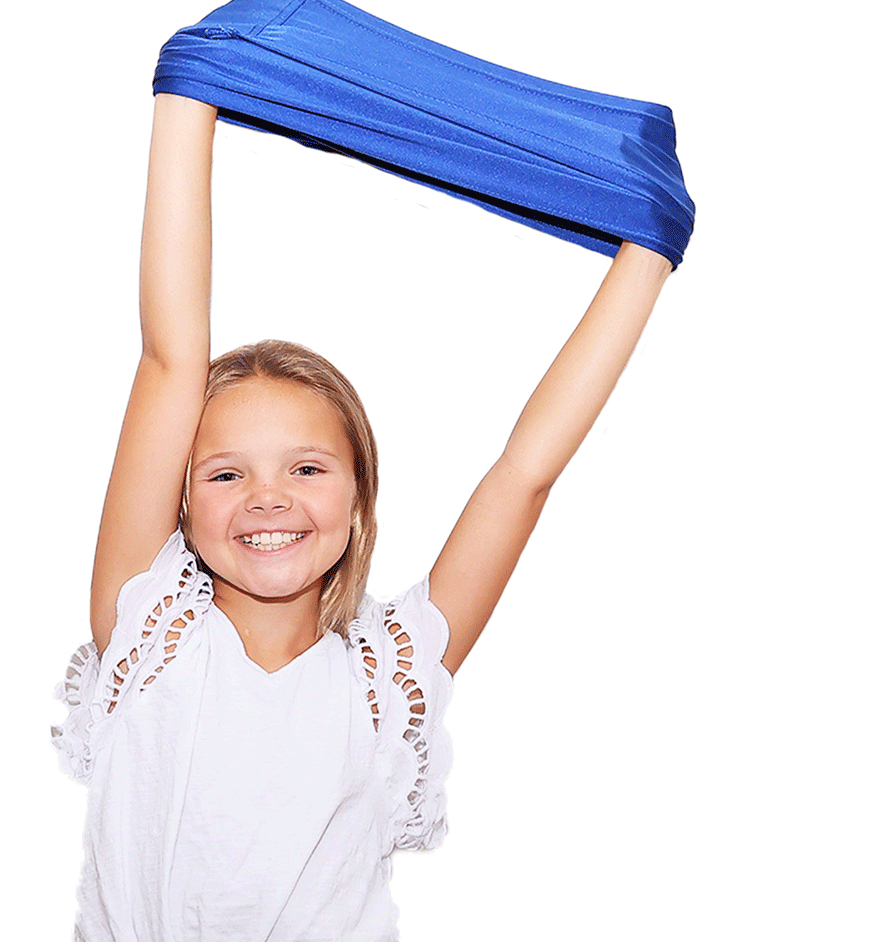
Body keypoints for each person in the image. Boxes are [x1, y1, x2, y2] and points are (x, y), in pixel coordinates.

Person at [52, 90, 678, 940]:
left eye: (306, 468)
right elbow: (171, 357)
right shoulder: (148, 632)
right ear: (182, 501)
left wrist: (646, 255)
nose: (267, 497)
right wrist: (188, 102)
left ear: (357, 505)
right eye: (228, 473)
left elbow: (523, 474)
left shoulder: (382, 679)